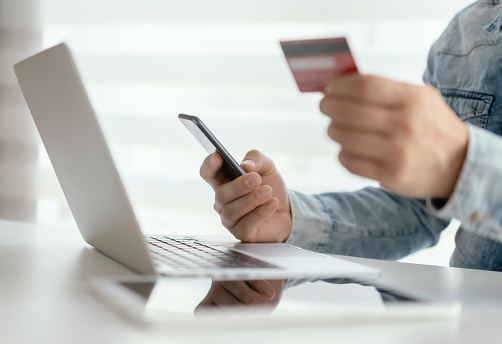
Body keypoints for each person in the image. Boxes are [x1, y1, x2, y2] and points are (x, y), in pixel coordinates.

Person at [197, 0, 502, 309]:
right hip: (472, 326)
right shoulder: (464, 34)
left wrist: (465, 165)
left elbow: (457, 173)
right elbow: (418, 211)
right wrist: (290, 219)